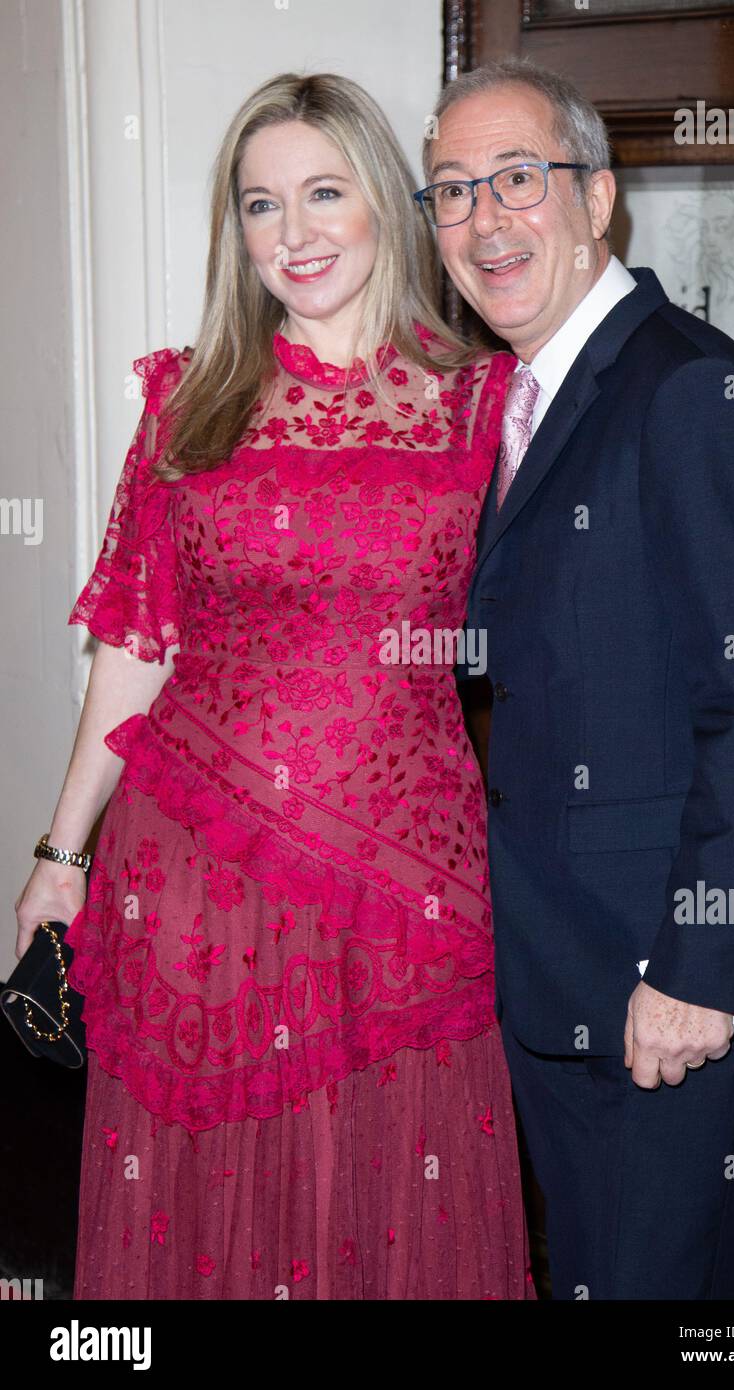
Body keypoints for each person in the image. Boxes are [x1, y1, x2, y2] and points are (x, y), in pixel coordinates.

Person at [14, 71, 535, 1301]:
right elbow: (138, 644)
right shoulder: (188, 403)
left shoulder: (484, 403)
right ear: (232, 231)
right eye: (259, 205)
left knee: (393, 1203)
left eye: (321, 194)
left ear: (386, 208)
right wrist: (59, 850)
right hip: (194, 878)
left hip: (403, 879)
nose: (292, 234)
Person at [418, 57, 734, 1300]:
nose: (483, 221)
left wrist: (691, 976)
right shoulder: (521, 397)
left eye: (515, 179)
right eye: (450, 192)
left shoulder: (685, 387)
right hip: (566, 965)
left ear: (595, 199)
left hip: (670, 985)